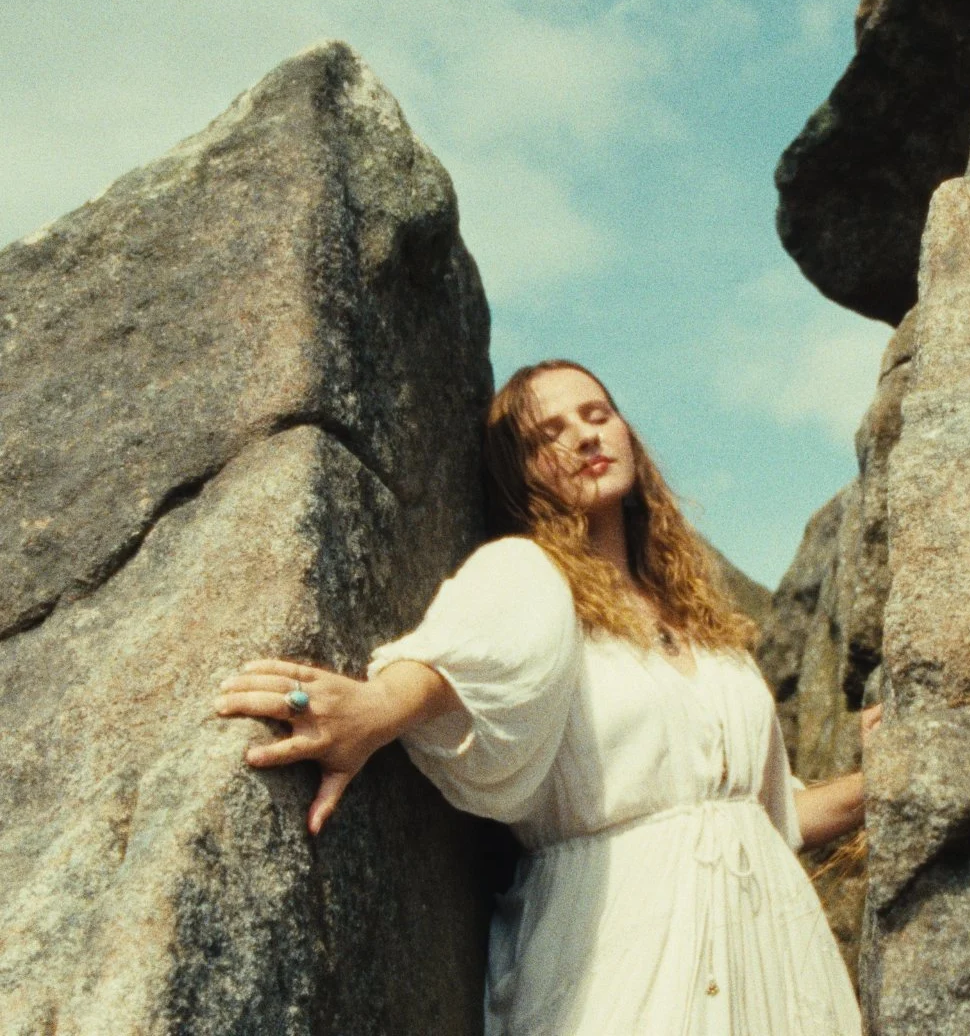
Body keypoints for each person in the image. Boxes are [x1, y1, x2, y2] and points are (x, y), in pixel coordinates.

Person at [216, 360, 872, 1034]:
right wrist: (373, 710)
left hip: (772, 951)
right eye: (547, 435)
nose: (585, 437)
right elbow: (477, 652)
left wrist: (885, 773)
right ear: (521, 474)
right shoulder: (530, 573)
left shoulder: (706, 625)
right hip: (623, 946)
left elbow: (772, 815)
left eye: (597, 415)